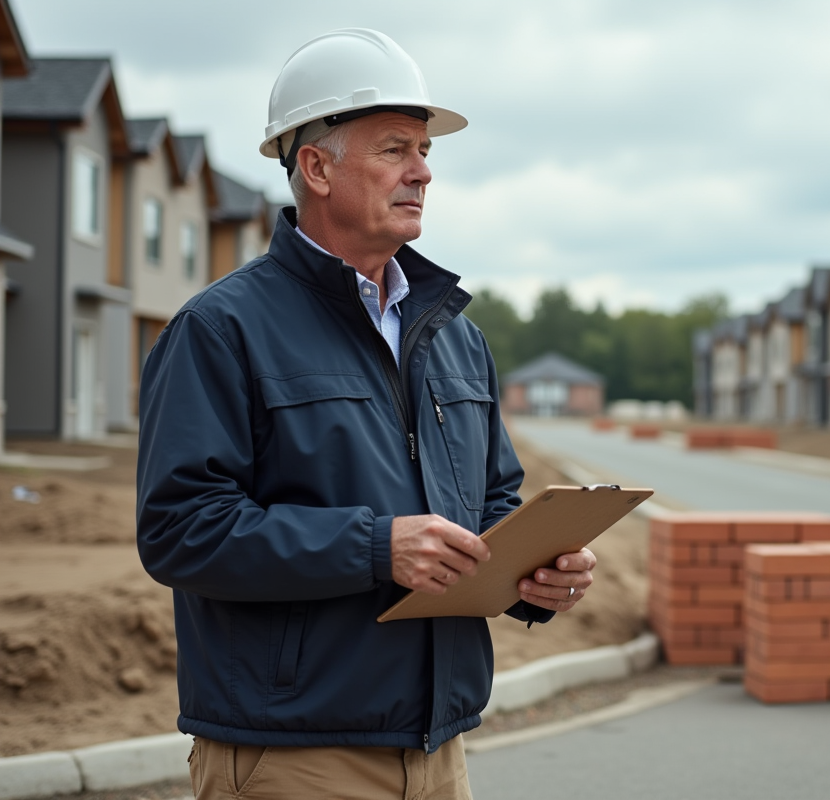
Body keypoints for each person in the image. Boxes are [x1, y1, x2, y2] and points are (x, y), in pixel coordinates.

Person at [136, 28, 596, 800]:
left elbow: (493, 507)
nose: (421, 172)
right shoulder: (221, 330)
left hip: (438, 751)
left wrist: (533, 577)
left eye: (424, 151)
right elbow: (181, 531)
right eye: (394, 149)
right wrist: (374, 548)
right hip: (293, 758)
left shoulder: (456, 337)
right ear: (315, 166)